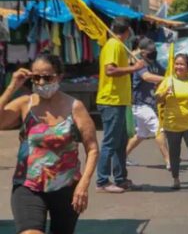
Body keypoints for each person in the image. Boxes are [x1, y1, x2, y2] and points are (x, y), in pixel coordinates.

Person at [0, 54, 98, 234]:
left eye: (48, 77)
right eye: (36, 77)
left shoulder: (74, 107)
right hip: (28, 185)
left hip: (66, 188)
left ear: (59, 76)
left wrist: (84, 184)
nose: (42, 82)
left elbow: (92, 149)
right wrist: (12, 87)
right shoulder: (25, 104)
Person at [96, 17, 145, 193]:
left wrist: (132, 65)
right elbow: (110, 70)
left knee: (121, 141)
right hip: (111, 100)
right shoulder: (113, 45)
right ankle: (102, 180)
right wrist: (134, 69)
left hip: (120, 100)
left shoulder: (117, 46)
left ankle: (120, 178)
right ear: (126, 31)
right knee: (110, 141)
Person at [156, 53, 188, 190]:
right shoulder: (168, 81)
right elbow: (157, 99)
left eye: (182, 64)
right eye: (177, 64)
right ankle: (176, 178)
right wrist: (163, 95)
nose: (178, 67)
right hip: (172, 124)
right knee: (174, 153)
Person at [126, 37, 170, 168]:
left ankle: (122, 157)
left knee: (141, 134)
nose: (154, 52)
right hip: (140, 105)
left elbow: (167, 72)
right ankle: (169, 160)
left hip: (150, 105)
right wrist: (166, 79)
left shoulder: (156, 64)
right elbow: (147, 77)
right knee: (158, 128)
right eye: (150, 51)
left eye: (155, 50)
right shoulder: (140, 64)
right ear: (143, 52)